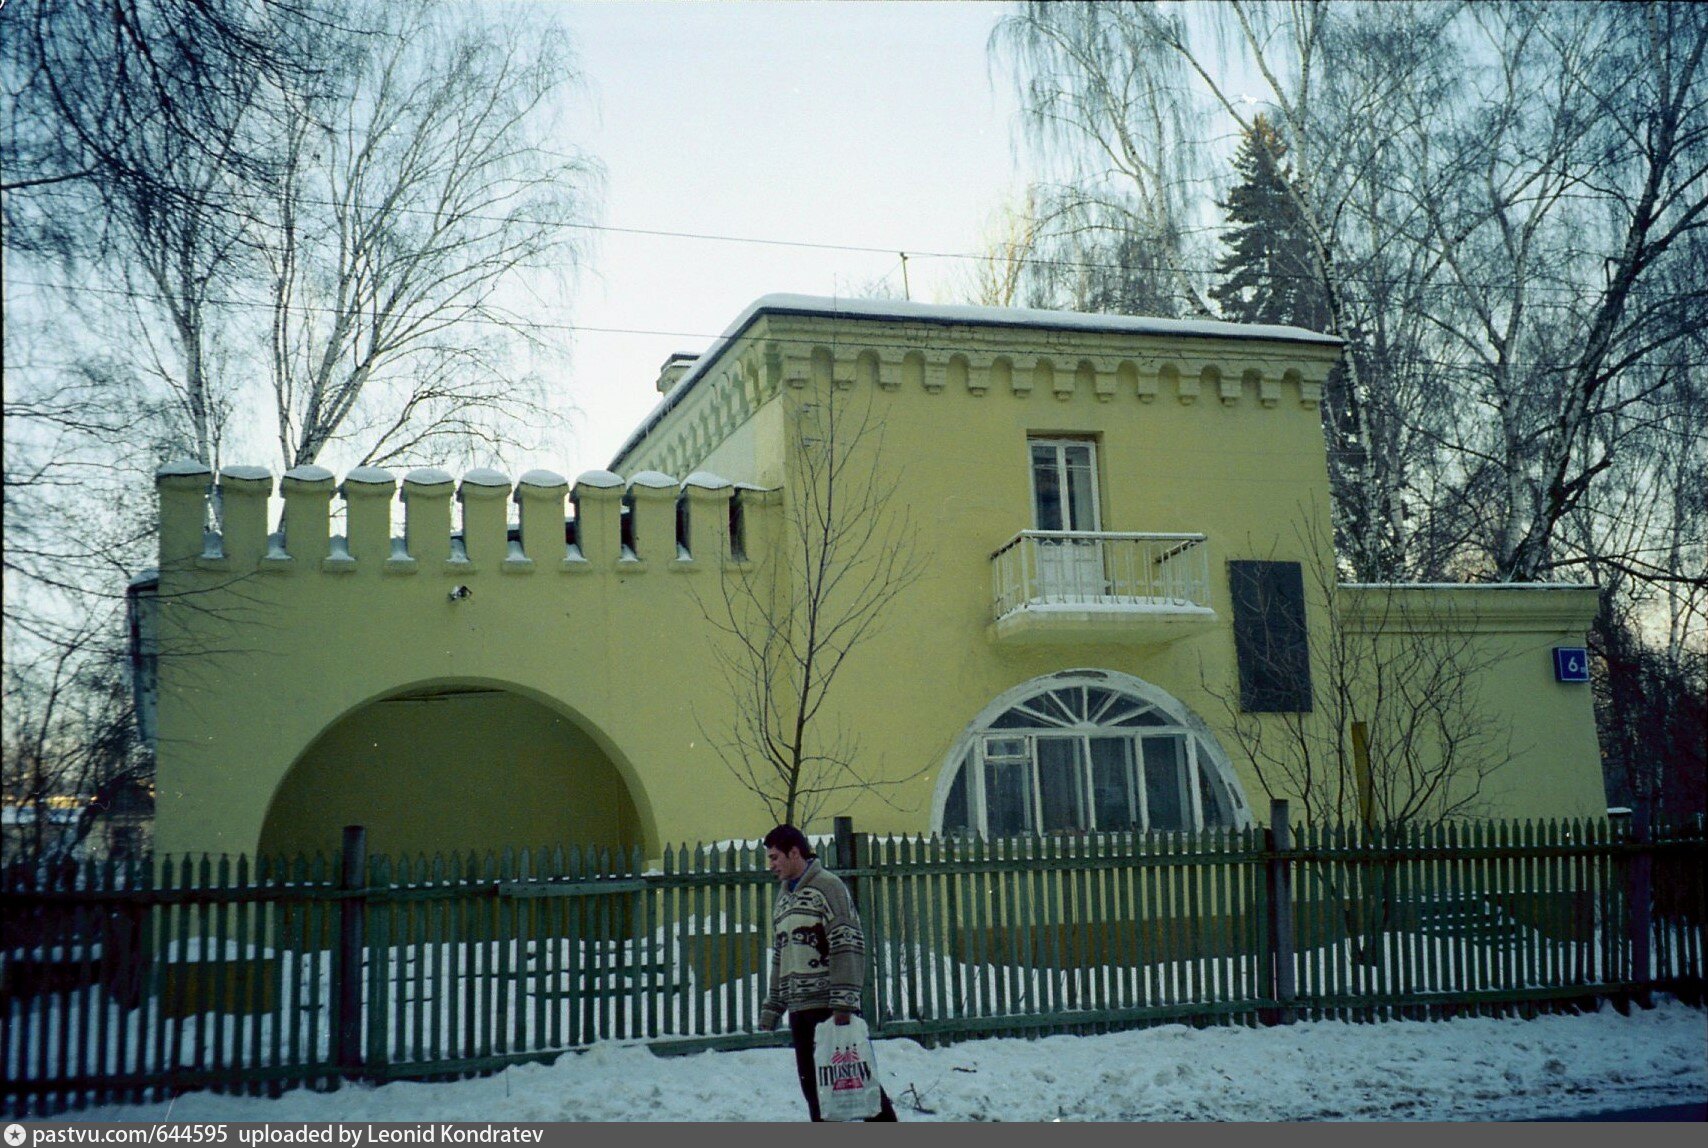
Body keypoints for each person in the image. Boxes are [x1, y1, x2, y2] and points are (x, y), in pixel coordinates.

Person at [757, 823, 899, 1121]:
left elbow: (847, 942)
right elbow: (781, 956)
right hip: (799, 1009)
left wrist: (843, 1002)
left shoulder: (829, 887)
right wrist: (773, 1005)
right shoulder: (784, 899)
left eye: (774, 857)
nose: (771, 866)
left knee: (857, 1082)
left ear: (794, 852)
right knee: (815, 1091)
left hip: (829, 1007)